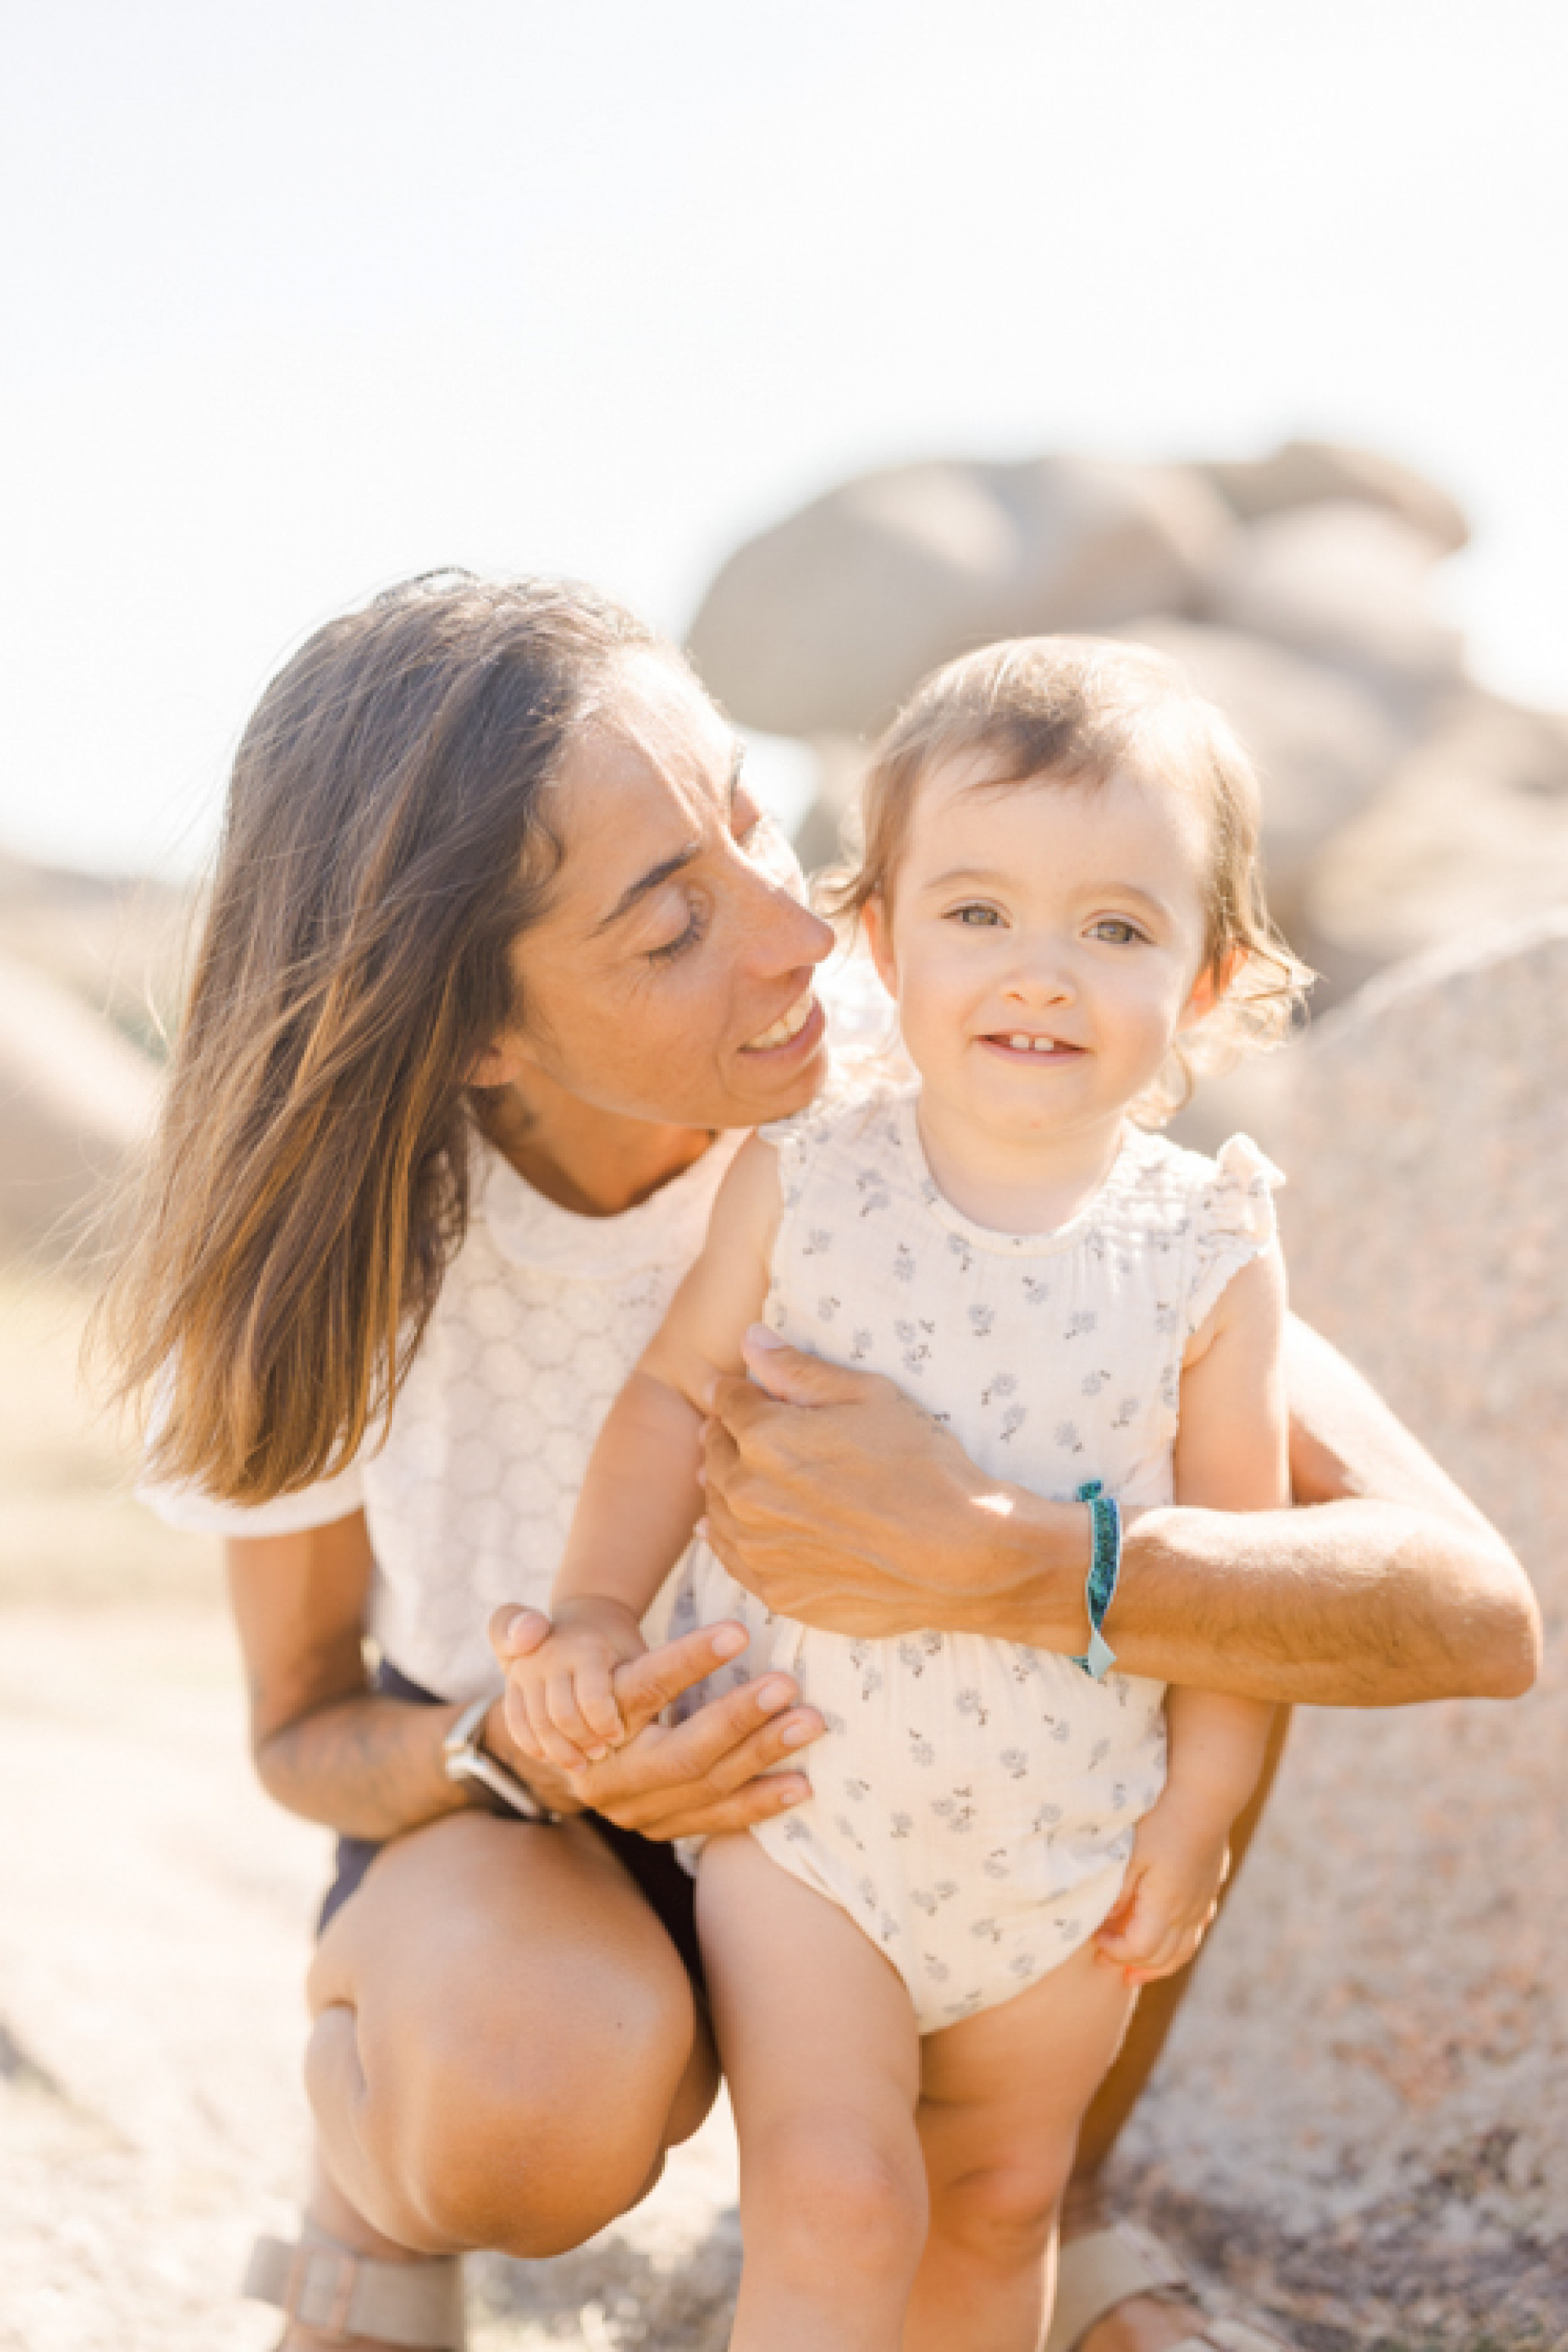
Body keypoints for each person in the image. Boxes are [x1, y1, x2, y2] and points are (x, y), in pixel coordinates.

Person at [112, 574, 1537, 2352]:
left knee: (1209, 1591)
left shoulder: (966, 1086)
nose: (800, 932)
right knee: (521, 2105)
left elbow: (1458, 1605)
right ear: (475, 1029)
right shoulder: (332, 1269)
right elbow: (300, 1733)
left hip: (951, 1804)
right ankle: (369, 2197)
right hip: (536, 1838)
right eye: (671, 924)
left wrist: (1012, 1553)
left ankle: (1051, 2195)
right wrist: (525, 1747)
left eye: (752, 818)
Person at [504, 635, 1298, 2352]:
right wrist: (593, 1609)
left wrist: (1199, 1810)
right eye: (977, 911)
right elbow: (671, 1399)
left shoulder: (1209, 1247)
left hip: (1070, 1837)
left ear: (1212, 979)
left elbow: (1233, 1573)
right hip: (812, 1819)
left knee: (1000, 2201)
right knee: (840, 2196)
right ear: (880, 938)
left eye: (1116, 928)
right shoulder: (809, 1180)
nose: (1040, 973)